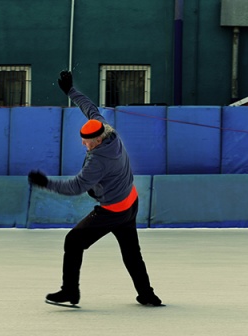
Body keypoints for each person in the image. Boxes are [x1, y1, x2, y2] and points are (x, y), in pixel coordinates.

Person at [28, 70, 163, 307]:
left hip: (113, 211)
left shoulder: (98, 161)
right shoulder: (106, 129)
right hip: (130, 202)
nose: (83, 143)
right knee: (131, 253)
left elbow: (76, 186)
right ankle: (147, 294)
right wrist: (71, 90)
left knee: (73, 241)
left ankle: (70, 291)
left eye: (87, 141)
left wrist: (45, 183)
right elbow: (88, 106)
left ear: (98, 140)